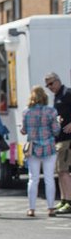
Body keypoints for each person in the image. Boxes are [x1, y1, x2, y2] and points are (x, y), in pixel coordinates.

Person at [21, 85, 61, 217]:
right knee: (49, 178)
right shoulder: (51, 111)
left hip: (33, 148)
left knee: (33, 179)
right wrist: (58, 123)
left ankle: (31, 208)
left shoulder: (26, 112)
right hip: (49, 146)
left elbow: (24, 130)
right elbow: (56, 131)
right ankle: (50, 208)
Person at [45, 73, 71, 213]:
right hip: (59, 139)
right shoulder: (57, 96)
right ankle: (63, 200)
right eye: (47, 85)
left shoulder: (67, 93)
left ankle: (69, 201)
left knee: (64, 171)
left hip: (67, 140)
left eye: (51, 83)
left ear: (58, 80)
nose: (50, 87)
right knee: (60, 172)